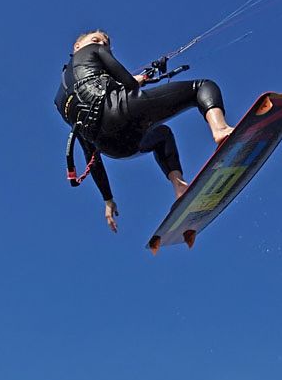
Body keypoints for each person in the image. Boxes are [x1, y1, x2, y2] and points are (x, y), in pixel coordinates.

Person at [54, 30, 233, 233]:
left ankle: (180, 187)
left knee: (162, 135)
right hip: (118, 111)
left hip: (112, 146)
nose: (102, 45)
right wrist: (135, 80)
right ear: (77, 47)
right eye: (96, 41)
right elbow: (128, 83)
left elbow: (90, 155)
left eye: (106, 44)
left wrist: (108, 199)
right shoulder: (94, 51)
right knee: (201, 86)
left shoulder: (59, 100)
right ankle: (221, 129)